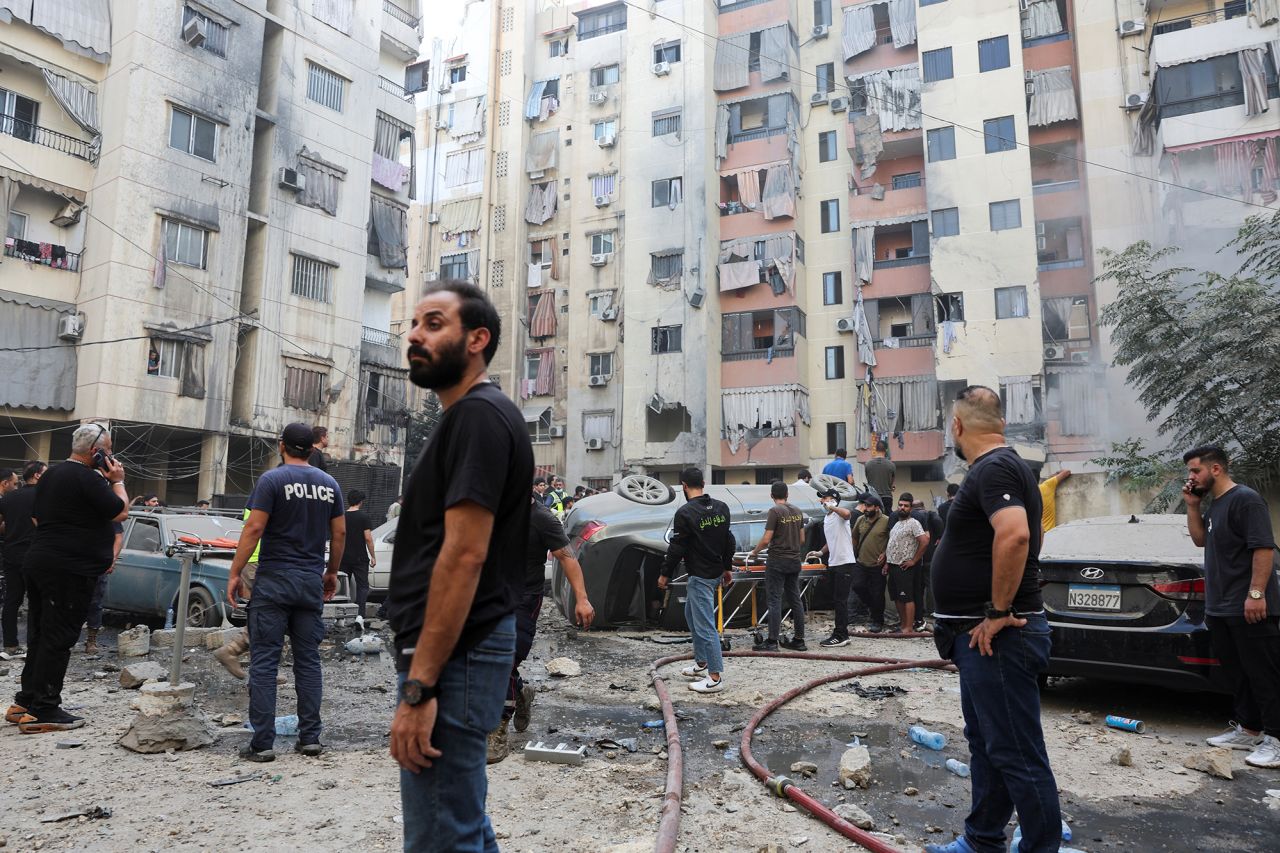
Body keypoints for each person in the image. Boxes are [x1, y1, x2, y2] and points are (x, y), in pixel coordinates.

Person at [386, 281, 533, 851]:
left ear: (477, 339)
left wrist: (419, 689)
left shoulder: (478, 417)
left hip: (457, 655)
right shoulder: (467, 417)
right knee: (460, 825)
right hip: (459, 653)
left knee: (441, 837)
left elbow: (464, 554)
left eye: (434, 323)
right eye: (415, 324)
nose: (416, 336)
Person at [924, 386, 1059, 853]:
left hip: (999, 636)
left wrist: (998, 612)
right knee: (988, 744)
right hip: (978, 636)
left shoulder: (996, 467)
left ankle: (1039, 847)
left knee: (1016, 752)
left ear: (957, 426)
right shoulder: (1000, 467)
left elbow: (1016, 536)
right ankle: (982, 841)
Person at [227, 422, 346, 762]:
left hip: (274, 580)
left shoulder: (272, 480)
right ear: (312, 448)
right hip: (309, 581)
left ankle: (262, 744)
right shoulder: (329, 484)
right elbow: (338, 534)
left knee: (264, 661)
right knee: (308, 662)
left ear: (282, 445)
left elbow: (254, 527)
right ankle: (310, 739)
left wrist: (235, 572)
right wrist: (331, 571)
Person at [8, 424, 129, 733]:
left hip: (41, 561)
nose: (112, 456)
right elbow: (120, 511)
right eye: (109, 450)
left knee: (40, 632)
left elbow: (37, 517)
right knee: (59, 637)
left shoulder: (52, 475)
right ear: (96, 452)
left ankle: (25, 702)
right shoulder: (88, 477)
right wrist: (118, 481)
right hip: (68, 570)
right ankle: (44, 709)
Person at [1184, 445, 1280, 769]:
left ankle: (1276, 740)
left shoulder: (1246, 500)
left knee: (1264, 674)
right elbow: (1200, 540)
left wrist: (1256, 594)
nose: (1190, 477)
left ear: (1215, 469)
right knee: (1238, 675)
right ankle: (1249, 729)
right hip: (1221, 607)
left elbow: (1263, 548)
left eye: (1195, 471)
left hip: (1247, 605)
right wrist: (1193, 506)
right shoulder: (1216, 505)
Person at [489, 483, 596, 762]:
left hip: (525, 598)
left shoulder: (542, 518)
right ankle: (520, 693)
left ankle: (497, 729)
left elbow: (566, 558)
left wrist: (582, 599)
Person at [659, 467, 735, 691]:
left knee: (705, 626)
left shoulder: (685, 513)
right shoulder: (722, 508)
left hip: (701, 575)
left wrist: (664, 573)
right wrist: (727, 567)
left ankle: (715, 678)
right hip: (714, 572)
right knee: (691, 615)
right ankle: (701, 662)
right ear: (703, 482)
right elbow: (728, 539)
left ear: (683, 486)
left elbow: (677, 547)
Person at [748, 482, 808, 652]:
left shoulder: (774, 511)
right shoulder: (797, 511)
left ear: (772, 495)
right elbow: (802, 539)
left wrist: (754, 552)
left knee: (774, 600)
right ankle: (799, 640)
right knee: (795, 600)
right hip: (795, 561)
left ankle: (772, 642)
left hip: (777, 561)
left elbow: (767, 539)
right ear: (787, 494)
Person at [0, 462, 45, 655]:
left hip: (11, 553)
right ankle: (34, 645)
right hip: (36, 555)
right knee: (37, 601)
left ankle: (10, 644)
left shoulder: (9, 498)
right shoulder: (44, 497)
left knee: (12, 600)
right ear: (37, 475)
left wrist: (12, 532)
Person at [814, 487, 856, 648]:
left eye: (824, 498)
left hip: (845, 562)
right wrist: (820, 552)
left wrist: (832, 506)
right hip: (834, 562)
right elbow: (830, 540)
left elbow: (847, 514)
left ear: (832, 499)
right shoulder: (828, 517)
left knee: (841, 601)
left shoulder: (839, 514)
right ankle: (840, 632)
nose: (821, 501)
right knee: (836, 600)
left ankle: (841, 635)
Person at [886, 494, 929, 635]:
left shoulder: (914, 523)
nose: (902, 508)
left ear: (911, 508)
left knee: (907, 597)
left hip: (905, 566)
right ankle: (903, 625)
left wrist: (914, 560)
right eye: (900, 505)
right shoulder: (897, 523)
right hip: (892, 565)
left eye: (905, 506)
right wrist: (887, 562)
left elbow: (924, 541)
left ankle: (908, 628)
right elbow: (891, 544)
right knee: (897, 597)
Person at [850, 494, 891, 633]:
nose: (865, 508)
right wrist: (853, 553)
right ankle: (872, 608)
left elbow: (892, 539)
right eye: (865, 506)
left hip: (877, 564)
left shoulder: (886, 521)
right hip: (861, 562)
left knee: (878, 593)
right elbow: (854, 537)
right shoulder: (861, 519)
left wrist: (885, 553)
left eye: (868, 506)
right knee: (857, 586)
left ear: (877, 507)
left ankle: (877, 620)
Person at [82, 521, 124, 655]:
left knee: (95, 602)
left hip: (99, 563)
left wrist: (112, 559)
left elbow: (118, 537)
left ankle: (91, 640)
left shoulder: (108, 513)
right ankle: (65, 638)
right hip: (76, 562)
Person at [341, 490, 377, 619]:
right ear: (361, 502)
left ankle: (342, 617)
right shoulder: (363, 517)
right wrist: (373, 556)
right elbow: (368, 538)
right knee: (362, 586)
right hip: (360, 558)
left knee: (343, 587)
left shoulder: (342, 516)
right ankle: (359, 616)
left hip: (343, 557)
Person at [912, 498, 944, 632]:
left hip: (916, 557)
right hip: (931, 556)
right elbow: (940, 525)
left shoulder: (913, 517)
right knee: (930, 585)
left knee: (918, 587)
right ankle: (931, 611)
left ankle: (920, 611)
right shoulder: (931, 515)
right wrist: (940, 537)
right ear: (923, 506)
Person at [1038, 468, 1071, 533]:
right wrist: (1057, 472)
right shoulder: (1046, 486)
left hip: (1035, 534)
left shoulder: (1026, 494)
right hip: (1049, 532)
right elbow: (1067, 472)